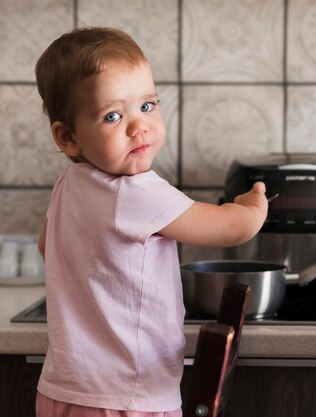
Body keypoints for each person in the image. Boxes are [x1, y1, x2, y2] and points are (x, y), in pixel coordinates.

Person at [34, 27, 268, 416]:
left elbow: (47, 246)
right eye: (112, 115)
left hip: (63, 389)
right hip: (128, 397)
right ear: (68, 137)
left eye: (147, 105)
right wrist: (252, 207)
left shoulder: (69, 183)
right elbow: (229, 229)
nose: (138, 126)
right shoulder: (135, 191)